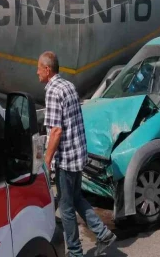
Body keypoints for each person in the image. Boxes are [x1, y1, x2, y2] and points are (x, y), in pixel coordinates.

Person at [37, 51, 117, 257]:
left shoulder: (53, 91)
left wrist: (46, 160)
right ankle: (103, 234)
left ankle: (74, 252)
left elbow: (56, 131)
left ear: (47, 70)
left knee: (65, 208)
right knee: (76, 198)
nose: (36, 73)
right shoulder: (69, 85)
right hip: (78, 155)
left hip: (65, 160)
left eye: (38, 69)